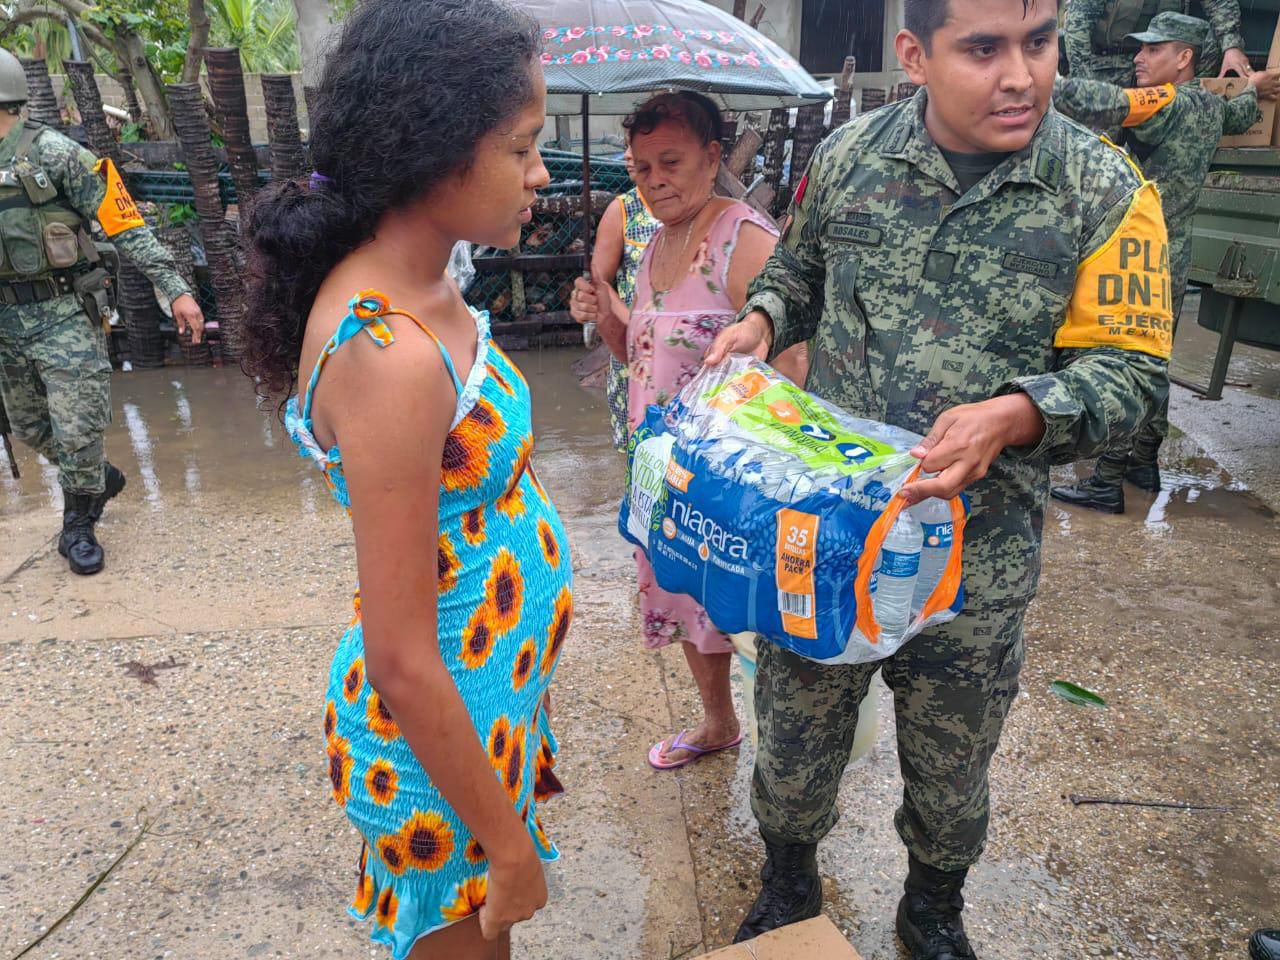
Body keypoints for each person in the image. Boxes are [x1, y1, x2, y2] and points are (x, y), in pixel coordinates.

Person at [704, 0, 1172, 954]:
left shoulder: (1106, 187)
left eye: (1039, 44)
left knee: (955, 756)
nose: (1021, 75)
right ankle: (789, 878)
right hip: (829, 533)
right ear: (914, 56)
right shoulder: (848, 158)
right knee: (796, 725)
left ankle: (933, 907)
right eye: (984, 49)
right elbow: (799, 272)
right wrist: (762, 319)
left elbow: (1135, 374)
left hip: (978, 556)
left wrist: (1024, 411)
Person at [238, 2, 571, 957]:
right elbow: (399, 654)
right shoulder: (387, 353)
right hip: (433, 741)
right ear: (434, 154)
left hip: (487, 699)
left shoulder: (431, 282)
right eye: (523, 148)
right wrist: (508, 849)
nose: (541, 175)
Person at [569, 91, 780, 770]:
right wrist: (604, 309)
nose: (654, 180)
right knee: (683, 591)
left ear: (713, 157)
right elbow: (637, 348)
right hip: (660, 467)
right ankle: (718, 722)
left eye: (670, 162)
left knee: (751, 602)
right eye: (639, 169)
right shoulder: (656, 241)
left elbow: (796, 357)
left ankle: (791, 746)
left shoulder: (742, 237)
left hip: (729, 474)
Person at [1051, 13, 1280, 511]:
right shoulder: (1210, 107)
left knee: (1119, 359)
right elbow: (1241, 111)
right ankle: (1144, 463)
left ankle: (1106, 482)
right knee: (1153, 360)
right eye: (1140, 48)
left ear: (1184, 60)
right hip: (1174, 253)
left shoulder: (1167, 102)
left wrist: (1042, 78)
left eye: (1154, 50)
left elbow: (1095, 103)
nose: (1139, 57)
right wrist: (1253, 85)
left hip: (1135, 258)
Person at [0, 47, 203, 575]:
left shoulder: (56, 153)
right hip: (4, 323)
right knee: (27, 425)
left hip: (63, 312)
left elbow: (124, 223)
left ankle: (78, 524)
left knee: (75, 427)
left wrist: (175, 288)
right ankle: (97, 477)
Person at [590, 148, 660, 451]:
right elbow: (599, 282)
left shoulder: (702, 211)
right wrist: (632, 320)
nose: (629, 155)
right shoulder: (624, 210)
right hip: (633, 353)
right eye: (627, 146)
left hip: (685, 353)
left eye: (638, 146)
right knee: (639, 453)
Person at [1063, 0, 1250, 84]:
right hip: (1107, 70)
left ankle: (1190, 102)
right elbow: (1077, 25)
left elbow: (1219, 4)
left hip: (1164, 70)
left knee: (1212, 38)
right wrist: (1086, 86)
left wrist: (1231, 46)